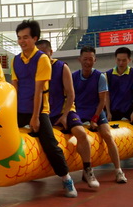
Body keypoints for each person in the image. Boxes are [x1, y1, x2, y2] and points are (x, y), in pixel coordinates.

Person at [11, 20, 77, 197]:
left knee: (50, 145)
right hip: (19, 109)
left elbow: (39, 91)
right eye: (19, 38)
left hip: (39, 110)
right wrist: (10, 112)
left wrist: (35, 117)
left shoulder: (42, 59)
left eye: (25, 37)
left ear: (35, 38)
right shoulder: (15, 60)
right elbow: (15, 88)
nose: (22, 41)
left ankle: (66, 178)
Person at [36, 40, 99, 188]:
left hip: (64, 110)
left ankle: (87, 170)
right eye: (38, 54)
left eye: (44, 53)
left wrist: (64, 116)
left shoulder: (61, 67)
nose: (41, 57)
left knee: (81, 134)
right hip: (44, 112)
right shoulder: (34, 69)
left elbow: (71, 94)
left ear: (51, 52)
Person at [73, 46, 127, 183]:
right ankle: (86, 169)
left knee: (108, 135)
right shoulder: (73, 77)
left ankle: (118, 171)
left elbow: (102, 101)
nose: (87, 62)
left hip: (95, 111)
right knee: (78, 135)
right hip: (78, 111)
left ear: (95, 60)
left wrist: (95, 119)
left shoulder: (100, 77)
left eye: (90, 59)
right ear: (80, 59)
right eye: (85, 59)